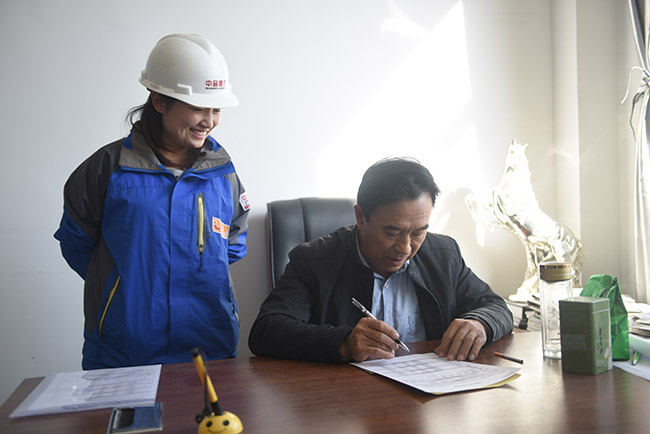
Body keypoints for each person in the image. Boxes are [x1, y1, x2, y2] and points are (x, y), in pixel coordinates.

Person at [54, 34, 250, 369]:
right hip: (124, 351)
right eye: (197, 108)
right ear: (159, 101)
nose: (209, 120)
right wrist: (125, 287)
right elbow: (77, 245)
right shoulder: (107, 169)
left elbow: (232, 245)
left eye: (216, 109)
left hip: (208, 346)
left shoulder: (222, 173)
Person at [249, 157, 512, 363]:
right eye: (392, 232)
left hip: (429, 395)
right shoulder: (314, 260)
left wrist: (480, 323)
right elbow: (266, 332)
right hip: (347, 399)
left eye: (418, 232)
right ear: (360, 217)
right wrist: (343, 342)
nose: (405, 248)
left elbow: (495, 306)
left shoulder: (444, 254)